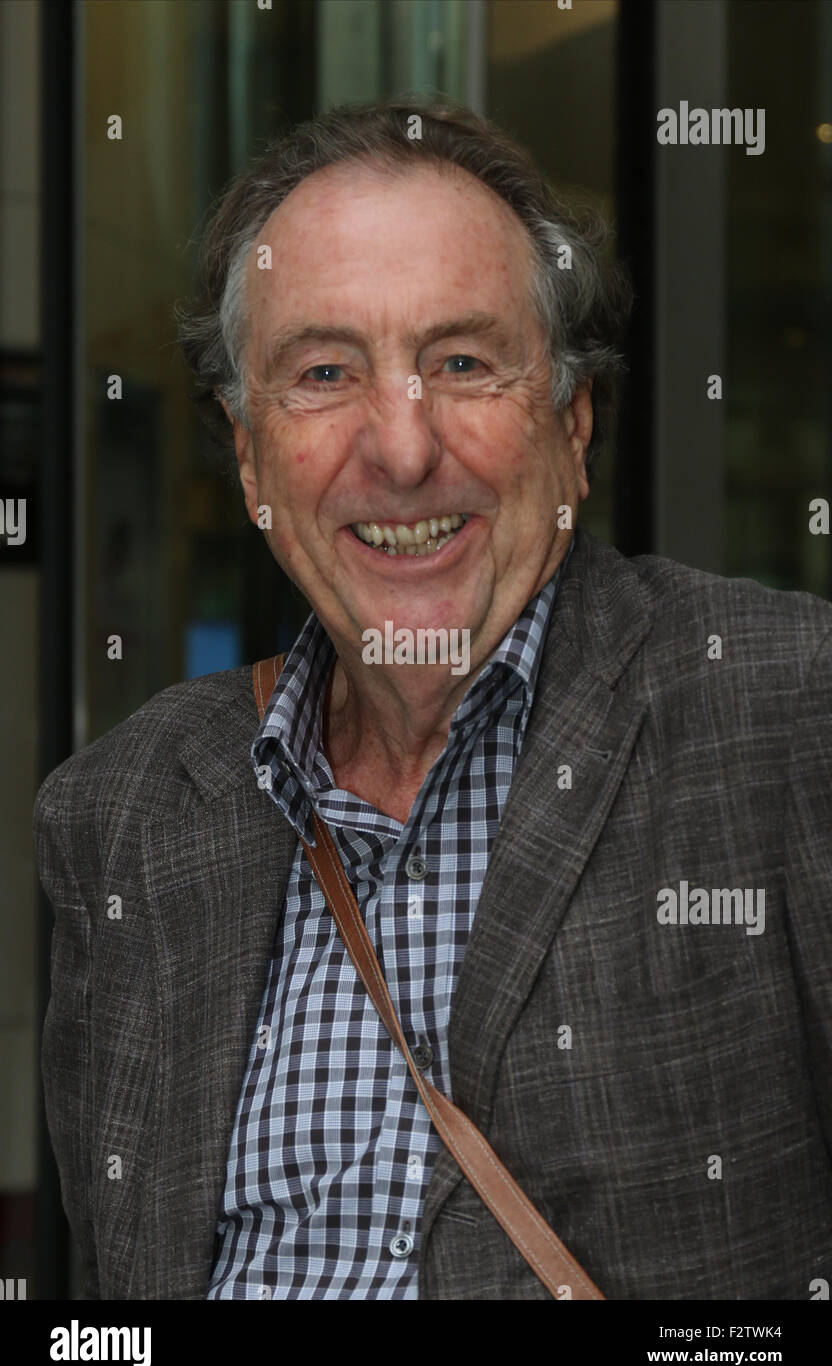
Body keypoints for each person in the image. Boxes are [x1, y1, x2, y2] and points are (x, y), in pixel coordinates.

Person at [35, 98, 832, 1301]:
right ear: (252, 459)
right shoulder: (128, 811)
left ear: (570, 423)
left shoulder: (787, 712)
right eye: (323, 373)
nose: (400, 448)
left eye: (462, 361)